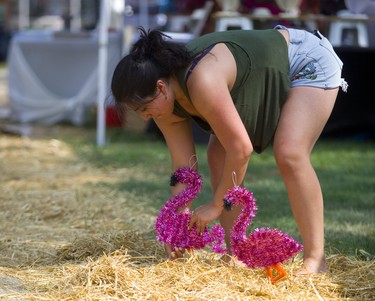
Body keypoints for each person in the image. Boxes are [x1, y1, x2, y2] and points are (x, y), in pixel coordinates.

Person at [111, 25, 347, 274]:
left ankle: (315, 259)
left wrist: (216, 205)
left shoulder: (202, 80)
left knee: (290, 153)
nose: (145, 117)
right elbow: (183, 168)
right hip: (265, 70)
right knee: (217, 154)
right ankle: (236, 252)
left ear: (160, 88)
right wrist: (177, 223)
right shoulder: (163, 102)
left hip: (305, 59)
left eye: (143, 108)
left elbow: (240, 149)